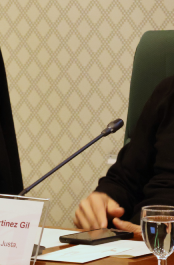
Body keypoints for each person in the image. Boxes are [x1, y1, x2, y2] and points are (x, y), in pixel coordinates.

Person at [74, 75, 174, 237]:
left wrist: (166, 233)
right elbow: (125, 180)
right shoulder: (169, 91)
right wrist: (103, 202)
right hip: (135, 242)